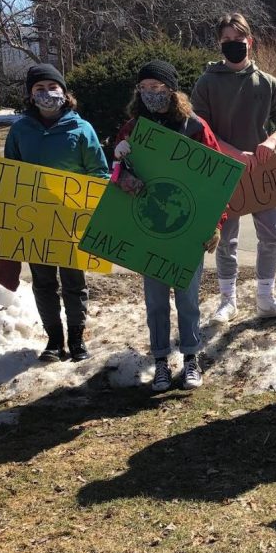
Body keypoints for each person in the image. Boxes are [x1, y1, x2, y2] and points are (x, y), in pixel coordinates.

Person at [0, 64, 109, 362]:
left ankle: (78, 340)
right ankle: (54, 341)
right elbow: (7, 178)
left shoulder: (82, 129)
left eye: (52, 87)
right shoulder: (19, 131)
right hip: (34, 225)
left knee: (74, 283)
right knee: (43, 283)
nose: (46, 94)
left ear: (64, 92)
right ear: (30, 96)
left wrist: (96, 198)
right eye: (38, 89)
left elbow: (99, 173)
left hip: (70, 222)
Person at [113, 60, 224, 392]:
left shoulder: (194, 128)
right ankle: (160, 361)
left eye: (157, 88)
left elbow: (218, 180)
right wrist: (120, 167)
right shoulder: (131, 129)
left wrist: (216, 224)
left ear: (172, 90)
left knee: (188, 299)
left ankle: (191, 358)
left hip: (188, 229)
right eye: (144, 88)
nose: (150, 94)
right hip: (150, 229)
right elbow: (114, 177)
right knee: (156, 300)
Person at [191, 12, 276, 324]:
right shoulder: (207, 83)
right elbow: (200, 126)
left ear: (250, 42)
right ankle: (228, 301)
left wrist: (273, 141)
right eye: (226, 41)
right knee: (225, 238)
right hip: (222, 170)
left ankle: (266, 297)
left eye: (238, 40)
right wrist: (233, 152)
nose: (233, 45)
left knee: (273, 235)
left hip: (262, 169)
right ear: (219, 44)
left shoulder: (267, 83)